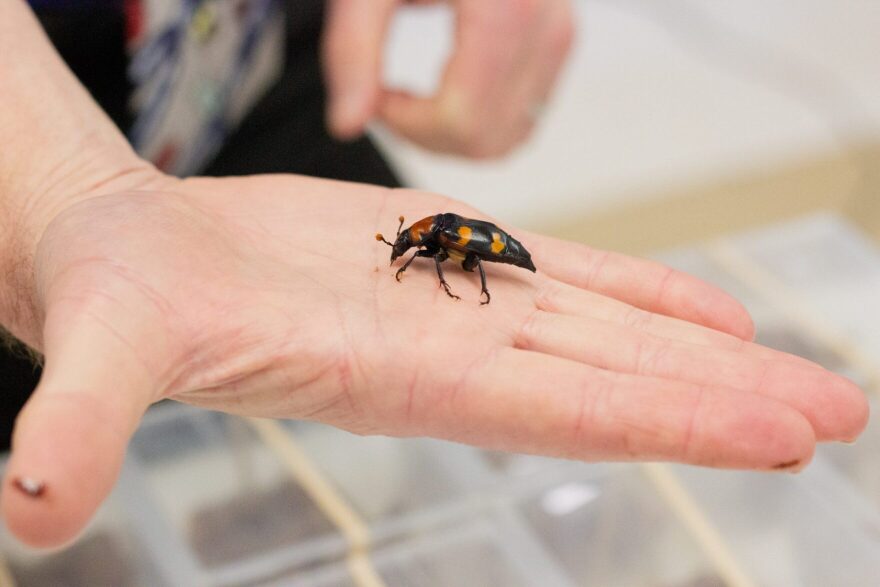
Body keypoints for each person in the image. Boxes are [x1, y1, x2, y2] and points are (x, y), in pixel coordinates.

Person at [0, 0, 868, 549]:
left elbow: (444, 251)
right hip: (48, 138)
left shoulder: (432, 240)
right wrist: (57, 184)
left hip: (251, 61)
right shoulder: (422, 242)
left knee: (385, 413)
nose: (409, 259)